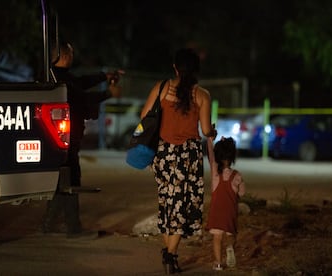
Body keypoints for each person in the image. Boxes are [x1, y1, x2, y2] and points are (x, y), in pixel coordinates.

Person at [141, 48, 216, 274]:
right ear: (196, 70)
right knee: (182, 207)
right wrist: (212, 131)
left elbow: (145, 117)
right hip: (188, 158)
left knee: (167, 203)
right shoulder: (202, 95)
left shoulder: (161, 88)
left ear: (175, 67)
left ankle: (169, 254)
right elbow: (205, 130)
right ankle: (170, 254)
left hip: (163, 154)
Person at [41, 41, 123, 238]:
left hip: (62, 137)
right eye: (70, 53)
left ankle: (49, 224)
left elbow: (80, 83)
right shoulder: (58, 80)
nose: (72, 56)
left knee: (62, 180)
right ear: (62, 56)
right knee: (71, 178)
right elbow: (81, 98)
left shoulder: (56, 76)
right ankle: (73, 227)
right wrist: (107, 93)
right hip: (64, 138)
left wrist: (104, 76)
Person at [205, 136, 246, 271]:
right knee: (231, 235)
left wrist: (210, 140)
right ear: (233, 156)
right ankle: (230, 247)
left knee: (217, 238)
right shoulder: (237, 175)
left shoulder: (216, 174)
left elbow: (210, 157)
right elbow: (242, 193)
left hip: (216, 211)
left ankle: (218, 263)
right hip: (230, 211)